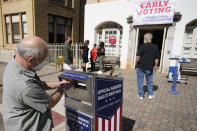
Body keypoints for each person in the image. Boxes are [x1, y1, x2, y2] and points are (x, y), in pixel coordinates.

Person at [2, 36, 73, 131]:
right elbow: (50, 103)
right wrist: (62, 88)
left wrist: (58, 83)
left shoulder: (14, 63)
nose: (44, 63)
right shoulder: (24, 85)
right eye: (42, 60)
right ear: (30, 59)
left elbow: (37, 84)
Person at [136, 33, 160, 100]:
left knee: (140, 81)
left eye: (144, 38)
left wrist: (136, 62)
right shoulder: (155, 47)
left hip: (140, 67)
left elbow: (138, 57)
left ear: (146, 38)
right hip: (149, 67)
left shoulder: (142, 46)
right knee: (149, 81)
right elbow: (156, 59)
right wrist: (155, 66)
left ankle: (141, 95)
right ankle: (150, 95)